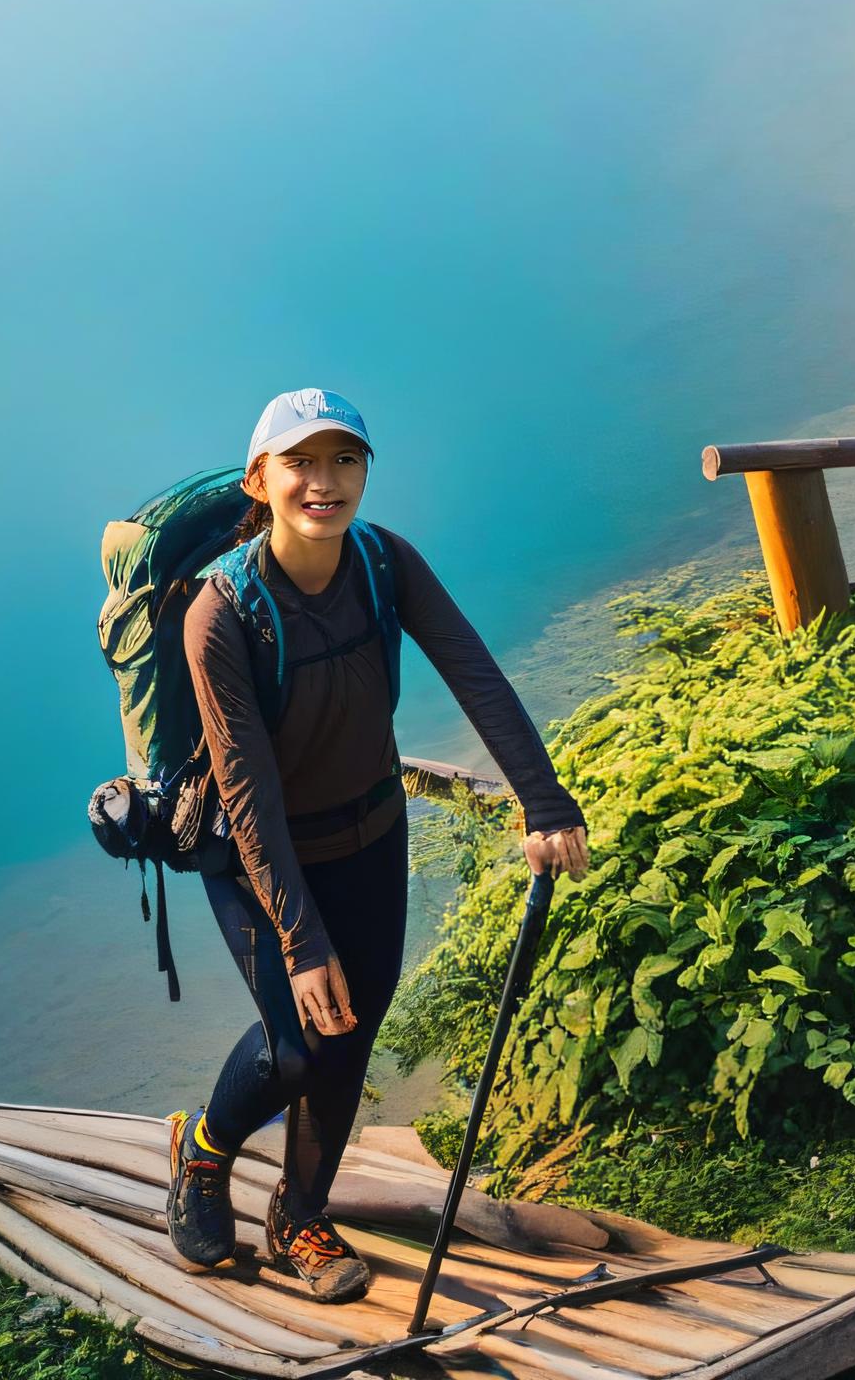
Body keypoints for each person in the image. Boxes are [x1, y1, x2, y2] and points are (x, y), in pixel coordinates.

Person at [168, 386, 589, 1303]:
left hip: (369, 832)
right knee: (294, 1048)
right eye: (301, 463)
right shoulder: (220, 616)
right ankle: (203, 1154)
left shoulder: (383, 561)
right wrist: (303, 941)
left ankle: (298, 1215)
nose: (325, 482)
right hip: (257, 852)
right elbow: (246, 791)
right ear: (260, 480)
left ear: (364, 471)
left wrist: (545, 803)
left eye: (344, 460)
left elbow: (473, 670)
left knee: (347, 1039)